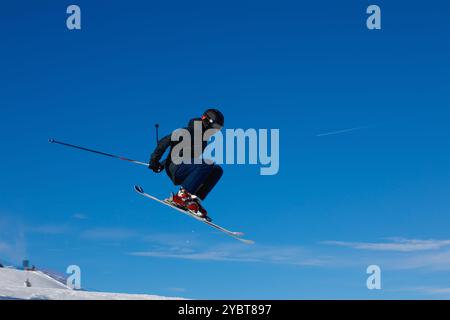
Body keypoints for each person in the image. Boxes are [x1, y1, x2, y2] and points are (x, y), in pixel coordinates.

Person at [148, 109, 224, 219]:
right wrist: (154, 160)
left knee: (217, 170)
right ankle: (181, 196)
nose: (215, 131)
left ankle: (192, 200)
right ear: (206, 121)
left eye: (219, 129)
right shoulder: (189, 131)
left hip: (186, 169)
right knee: (207, 163)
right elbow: (165, 141)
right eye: (215, 127)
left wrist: (162, 165)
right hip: (176, 167)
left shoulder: (203, 139)